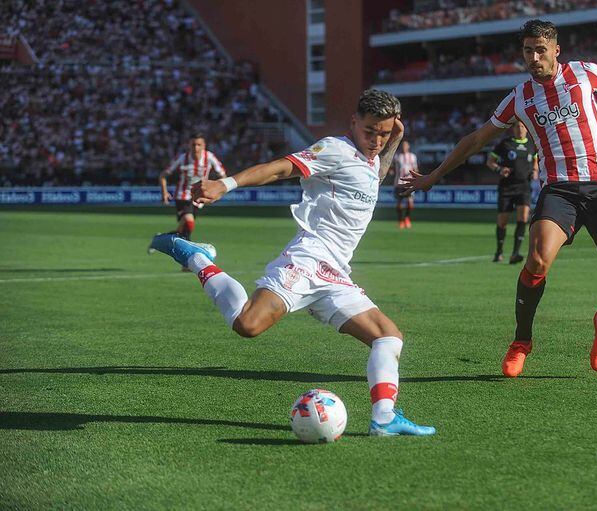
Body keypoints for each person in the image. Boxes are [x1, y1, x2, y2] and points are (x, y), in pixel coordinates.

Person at [148, 90, 435, 437]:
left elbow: (376, 174)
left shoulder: (372, 158)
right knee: (247, 325)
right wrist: (225, 184)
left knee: (389, 338)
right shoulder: (334, 149)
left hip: (335, 273)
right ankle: (196, 257)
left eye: (384, 133)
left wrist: (394, 140)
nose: (376, 140)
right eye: (370, 131)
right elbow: (278, 169)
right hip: (309, 257)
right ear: (354, 122)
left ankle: (384, 417)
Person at [402, 19, 597, 377]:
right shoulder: (520, 97)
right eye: (527, 51)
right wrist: (434, 176)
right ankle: (521, 341)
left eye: (540, 50)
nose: (533, 57)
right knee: (539, 260)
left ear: (556, 50)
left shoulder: (585, 73)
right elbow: (476, 139)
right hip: (559, 189)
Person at [486, 119, 538, 263]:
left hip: (524, 187)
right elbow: (490, 161)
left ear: (526, 129)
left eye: (522, 126)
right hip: (506, 187)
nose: (520, 129)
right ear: (513, 129)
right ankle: (499, 251)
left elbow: (535, 162)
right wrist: (499, 169)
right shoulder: (505, 144)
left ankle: (515, 253)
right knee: (502, 222)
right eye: (517, 126)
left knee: (523, 218)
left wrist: (535, 171)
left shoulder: (531, 145)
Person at [158, 134, 227, 241]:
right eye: (193, 145)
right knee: (189, 222)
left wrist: (219, 189)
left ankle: (162, 239)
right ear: (189, 145)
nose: (196, 148)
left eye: (199, 145)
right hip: (182, 195)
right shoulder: (182, 158)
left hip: (199, 197)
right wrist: (164, 192)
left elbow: (223, 175)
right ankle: (187, 248)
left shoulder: (209, 157)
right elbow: (163, 175)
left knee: (183, 228)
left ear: (204, 145)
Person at [391, 140, 419, 229]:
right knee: (399, 203)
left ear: (408, 147)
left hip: (409, 183)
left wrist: (414, 174)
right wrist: (391, 171)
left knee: (410, 203)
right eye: (402, 145)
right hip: (399, 182)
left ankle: (407, 218)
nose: (404, 147)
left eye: (405, 145)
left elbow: (416, 168)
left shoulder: (413, 156)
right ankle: (400, 221)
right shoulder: (397, 156)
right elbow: (392, 166)